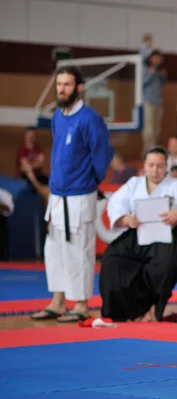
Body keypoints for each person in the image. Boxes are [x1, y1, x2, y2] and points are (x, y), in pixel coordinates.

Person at [31, 66, 114, 322]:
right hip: (57, 194)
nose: (61, 89)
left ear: (79, 88)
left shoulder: (90, 119)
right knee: (54, 250)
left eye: (66, 84)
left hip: (80, 194)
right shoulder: (57, 116)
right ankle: (57, 301)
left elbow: (102, 156)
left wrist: (88, 181)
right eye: (59, 84)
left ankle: (80, 304)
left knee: (79, 250)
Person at [100, 146, 177, 322]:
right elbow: (115, 205)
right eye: (151, 165)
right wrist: (126, 219)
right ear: (144, 165)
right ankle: (120, 312)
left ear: (167, 167)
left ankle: (152, 309)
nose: (155, 170)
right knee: (112, 258)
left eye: (159, 166)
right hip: (139, 233)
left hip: (171, 236)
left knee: (164, 264)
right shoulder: (134, 184)